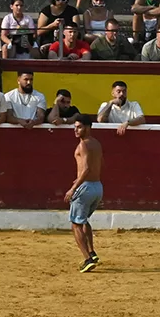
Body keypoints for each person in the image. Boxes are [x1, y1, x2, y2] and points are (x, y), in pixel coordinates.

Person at [67, 115, 104, 272]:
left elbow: (87, 168)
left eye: (79, 127)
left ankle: (87, 259)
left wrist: (74, 187)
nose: (76, 130)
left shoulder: (83, 145)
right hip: (97, 187)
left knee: (76, 224)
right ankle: (92, 252)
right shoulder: (97, 143)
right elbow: (100, 163)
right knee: (84, 220)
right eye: (75, 127)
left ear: (88, 128)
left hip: (85, 188)